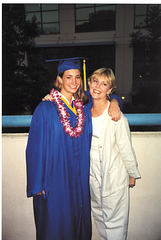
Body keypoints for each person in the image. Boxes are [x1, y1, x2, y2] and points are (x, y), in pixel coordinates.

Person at [26, 58, 121, 240]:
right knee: (56, 224)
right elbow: (34, 149)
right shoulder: (45, 108)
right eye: (68, 77)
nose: (74, 82)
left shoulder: (82, 109)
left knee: (78, 222)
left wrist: (115, 102)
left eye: (77, 77)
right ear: (59, 79)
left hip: (78, 178)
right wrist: (38, 184)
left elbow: (104, 97)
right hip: (54, 180)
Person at [88, 68, 141, 240]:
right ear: (89, 82)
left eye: (104, 84)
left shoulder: (116, 116)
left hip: (114, 177)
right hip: (92, 178)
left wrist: (132, 173)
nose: (98, 86)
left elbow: (126, 149)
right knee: (100, 219)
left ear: (110, 90)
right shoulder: (83, 113)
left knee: (116, 226)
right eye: (95, 81)